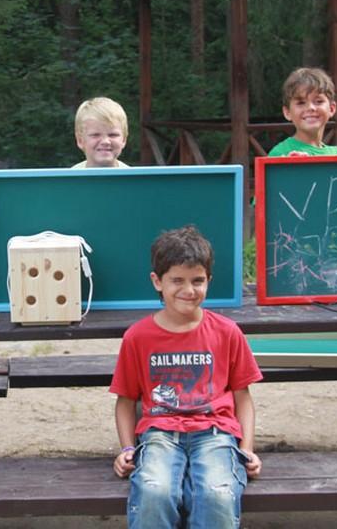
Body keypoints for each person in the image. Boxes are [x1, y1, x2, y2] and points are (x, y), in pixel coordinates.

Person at [110, 225, 262, 529]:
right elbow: (125, 401)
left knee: (217, 495)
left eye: (197, 280)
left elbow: (242, 397)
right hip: (159, 434)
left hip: (216, 434)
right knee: (154, 492)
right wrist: (127, 449)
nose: (189, 290)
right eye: (177, 280)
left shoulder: (227, 332)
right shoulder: (138, 337)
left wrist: (246, 449)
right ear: (157, 281)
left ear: (209, 281)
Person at [0, 96, 129, 224]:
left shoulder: (135, 183)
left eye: (113, 135)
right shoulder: (65, 184)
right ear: (80, 140)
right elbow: (35, 220)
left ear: (124, 139)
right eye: (95, 135)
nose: (105, 141)